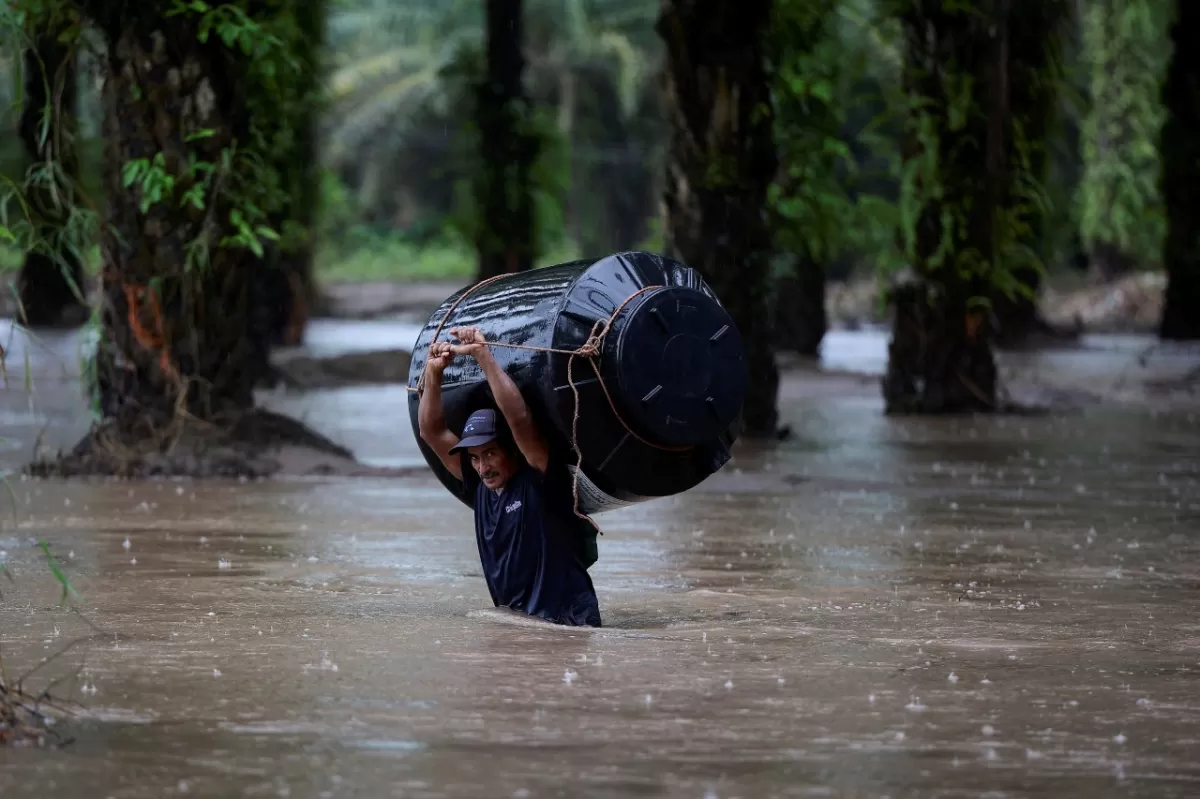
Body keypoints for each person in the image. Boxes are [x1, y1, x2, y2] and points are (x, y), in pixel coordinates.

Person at [417, 325, 602, 627]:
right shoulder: (479, 486)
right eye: (474, 457)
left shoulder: (540, 477)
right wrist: (435, 372)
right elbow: (432, 432)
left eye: (490, 453)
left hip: (569, 622)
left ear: (513, 450)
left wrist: (482, 355)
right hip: (522, 623)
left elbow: (519, 418)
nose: (482, 466)